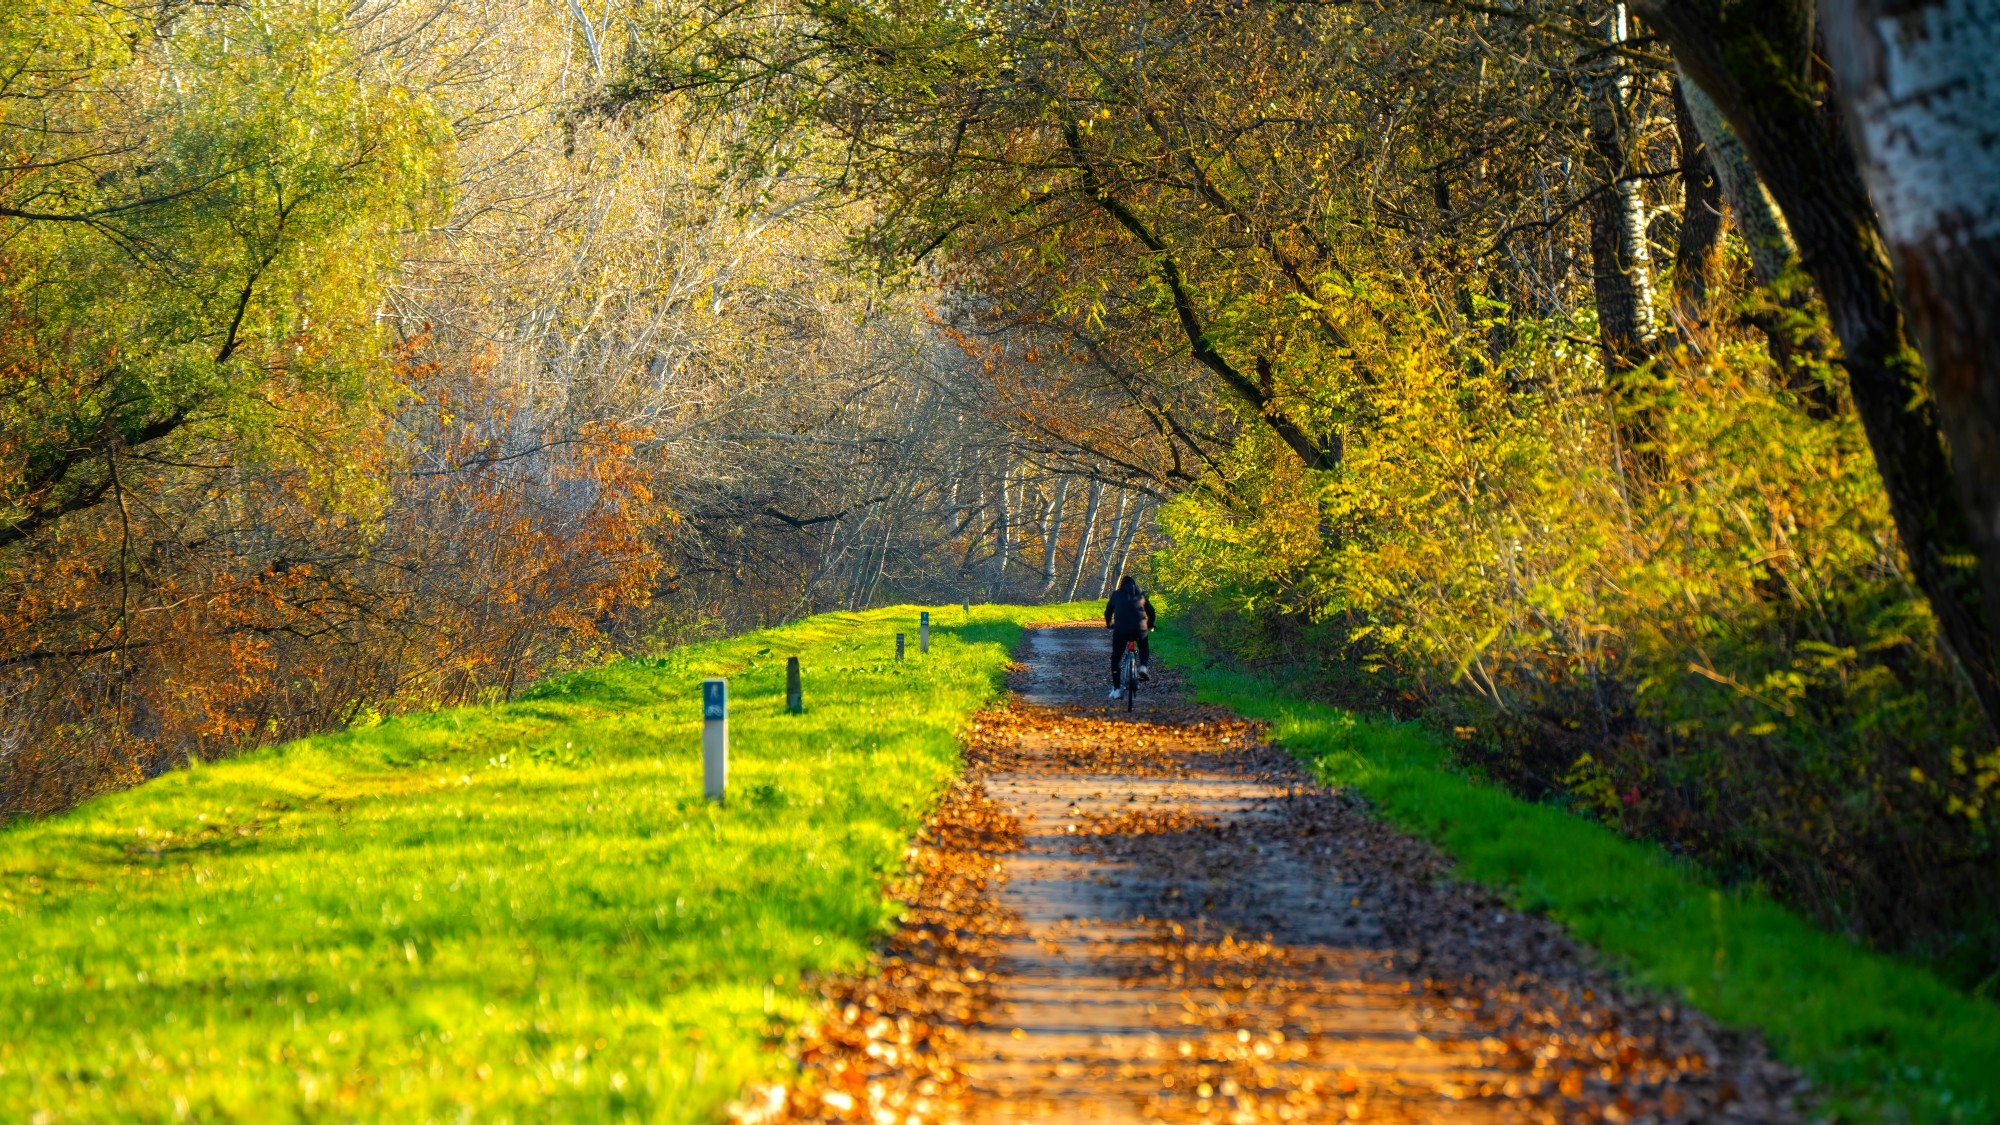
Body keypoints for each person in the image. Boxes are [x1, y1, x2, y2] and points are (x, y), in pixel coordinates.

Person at [1103, 575, 1156, 699]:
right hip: (1140, 628)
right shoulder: (1140, 594)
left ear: (1122, 585)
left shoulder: (1116, 594)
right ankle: (1143, 667)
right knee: (1143, 647)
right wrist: (1150, 624)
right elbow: (1151, 611)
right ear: (1134, 584)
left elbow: (1108, 612)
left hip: (1121, 629)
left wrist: (1109, 624)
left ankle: (1116, 690)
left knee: (1116, 658)